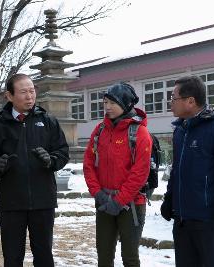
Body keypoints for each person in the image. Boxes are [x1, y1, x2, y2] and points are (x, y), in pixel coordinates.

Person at [0, 73, 69, 267]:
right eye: (23, 92)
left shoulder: (48, 121)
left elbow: (62, 152)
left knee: (44, 255)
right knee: (12, 257)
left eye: (32, 91)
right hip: (11, 201)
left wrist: (51, 160)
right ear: (9, 96)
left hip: (43, 200)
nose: (30, 96)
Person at [160, 76, 214, 267]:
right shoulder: (180, 131)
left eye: (173, 98)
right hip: (183, 221)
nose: (170, 103)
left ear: (190, 101)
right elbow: (177, 170)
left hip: (210, 221)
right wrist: (169, 198)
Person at [83, 82, 152, 267]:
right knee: (104, 256)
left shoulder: (139, 132)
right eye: (105, 103)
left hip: (131, 205)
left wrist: (119, 201)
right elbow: (88, 164)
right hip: (104, 202)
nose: (107, 107)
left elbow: (140, 172)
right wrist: (98, 193)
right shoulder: (99, 130)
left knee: (129, 256)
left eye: (112, 103)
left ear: (126, 103)